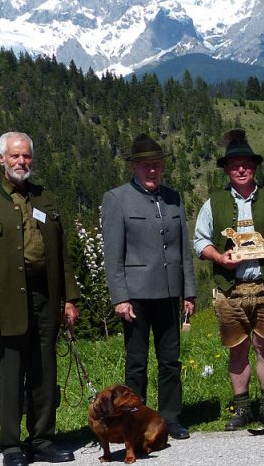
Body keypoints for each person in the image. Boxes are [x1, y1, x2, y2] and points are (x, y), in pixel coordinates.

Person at [0, 132, 80, 466]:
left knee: (45, 372)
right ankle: (11, 446)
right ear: (0, 159)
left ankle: (42, 440)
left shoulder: (45, 199)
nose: (21, 162)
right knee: (11, 375)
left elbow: (61, 255)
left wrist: (70, 298)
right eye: (14, 157)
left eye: (26, 156)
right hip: (6, 303)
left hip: (46, 298)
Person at [194, 130, 264, 430]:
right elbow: (200, 242)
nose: (241, 169)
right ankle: (242, 408)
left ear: (255, 168)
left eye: (247, 164)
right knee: (237, 349)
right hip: (230, 290)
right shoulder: (213, 203)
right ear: (226, 169)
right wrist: (219, 258)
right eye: (235, 164)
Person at [102, 134, 196, 440]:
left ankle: (170, 417)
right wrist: (120, 297)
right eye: (145, 166)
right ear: (134, 168)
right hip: (136, 296)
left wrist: (189, 292)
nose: (151, 170)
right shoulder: (116, 199)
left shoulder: (173, 197)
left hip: (169, 292)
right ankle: (134, 419)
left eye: (156, 165)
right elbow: (113, 254)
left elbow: (183, 248)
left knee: (170, 360)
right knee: (137, 363)